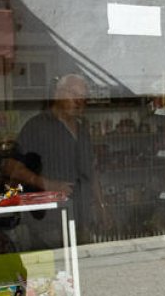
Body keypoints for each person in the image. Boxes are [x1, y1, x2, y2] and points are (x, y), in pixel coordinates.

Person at [6, 73, 108, 242]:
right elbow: (12, 168)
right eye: (73, 94)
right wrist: (47, 184)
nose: (79, 101)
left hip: (82, 218)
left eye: (83, 96)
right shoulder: (37, 126)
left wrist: (101, 206)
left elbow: (91, 171)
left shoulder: (83, 130)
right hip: (48, 223)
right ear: (57, 95)